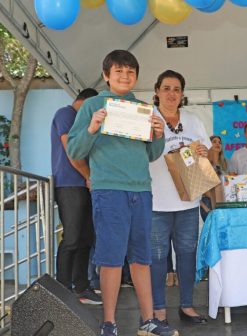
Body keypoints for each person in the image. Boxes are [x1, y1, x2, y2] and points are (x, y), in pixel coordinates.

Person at [67, 50, 174, 336]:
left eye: (130, 72)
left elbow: (151, 154)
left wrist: (159, 134)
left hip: (141, 189)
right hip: (109, 190)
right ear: (106, 75)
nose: (125, 76)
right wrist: (91, 128)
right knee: (111, 258)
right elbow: (74, 151)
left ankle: (148, 321)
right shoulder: (92, 106)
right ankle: (109, 323)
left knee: (142, 257)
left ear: (136, 76)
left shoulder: (144, 108)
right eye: (119, 71)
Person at [148, 70, 210, 326]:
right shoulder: (148, 118)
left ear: (182, 93)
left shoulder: (194, 120)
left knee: (187, 254)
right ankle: (159, 309)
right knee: (157, 257)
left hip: (188, 201)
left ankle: (187, 305)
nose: (171, 93)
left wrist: (205, 152)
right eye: (166, 88)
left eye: (176, 89)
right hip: (155, 202)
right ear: (157, 91)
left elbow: (205, 157)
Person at [51, 88, 101, 305]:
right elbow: (71, 150)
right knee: (71, 238)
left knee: (86, 238)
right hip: (70, 185)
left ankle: (82, 287)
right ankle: (62, 291)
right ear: (87, 102)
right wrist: (88, 176)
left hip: (88, 185)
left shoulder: (84, 120)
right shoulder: (65, 114)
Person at [200, 135, 228, 221]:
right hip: (208, 204)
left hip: (223, 203)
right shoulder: (203, 164)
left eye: (220, 142)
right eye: (214, 142)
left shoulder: (224, 165)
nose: (217, 144)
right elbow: (202, 188)